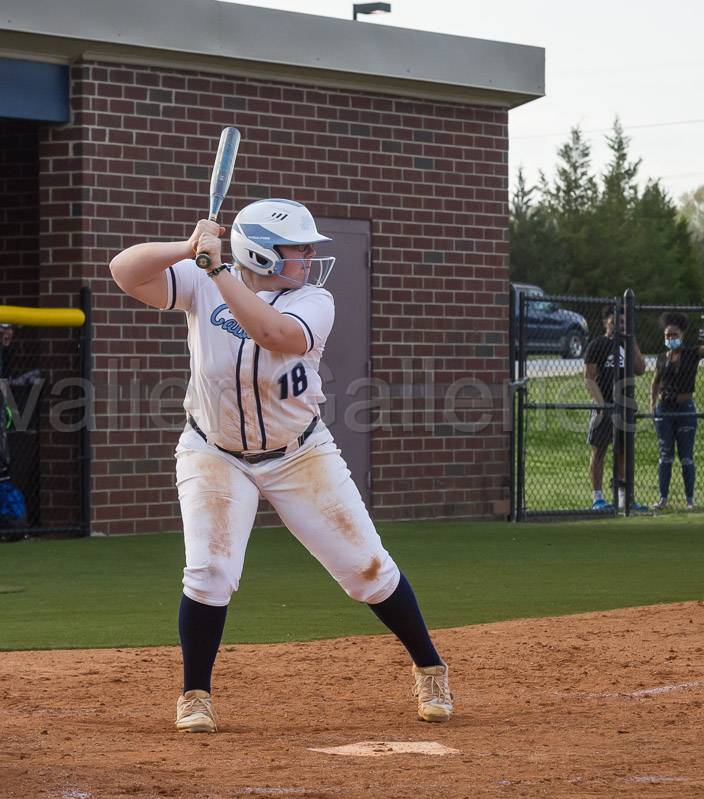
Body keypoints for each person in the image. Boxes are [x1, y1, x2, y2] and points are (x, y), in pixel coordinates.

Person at [109, 198, 453, 733]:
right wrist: (188, 247)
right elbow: (124, 272)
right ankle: (194, 694)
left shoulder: (314, 299)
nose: (309, 257)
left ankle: (430, 666)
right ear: (261, 253)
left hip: (299, 452)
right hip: (213, 451)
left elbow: (276, 335)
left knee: (366, 569)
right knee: (209, 572)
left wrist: (219, 270)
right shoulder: (201, 280)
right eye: (298, 248)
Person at [650, 305, 704, 509]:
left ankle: (690, 500)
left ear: (682, 334)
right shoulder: (661, 358)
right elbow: (655, 381)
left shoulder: (692, 353)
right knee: (665, 455)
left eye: (674, 334)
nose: (671, 337)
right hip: (665, 410)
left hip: (685, 409)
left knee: (686, 456)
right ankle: (663, 499)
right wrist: (653, 403)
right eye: (668, 334)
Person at [583, 304, 647, 511]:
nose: (619, 326)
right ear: (605, 323)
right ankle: (598, 498)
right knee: (599, 451)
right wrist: (601, 405)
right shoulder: (597, 345)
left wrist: (632, 339)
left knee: (623, 453)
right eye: (615, 322)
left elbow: (641, 369)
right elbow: (589, 378)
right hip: (605, 406)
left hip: (625, 407)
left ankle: (624, 498)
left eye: (623, 323)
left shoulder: (627, 346)